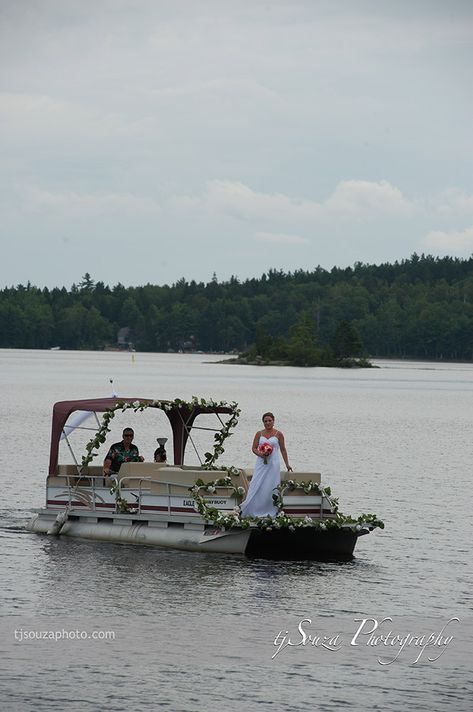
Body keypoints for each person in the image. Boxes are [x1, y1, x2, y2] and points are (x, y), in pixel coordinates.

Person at [240, 412, 292, 518]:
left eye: (269, 420)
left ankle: (270, 510)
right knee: (256, 484)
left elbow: (283, 450)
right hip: (261, 463)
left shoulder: (279, 434)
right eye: (265, 421)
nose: (267, 423)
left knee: (270, 486)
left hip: (273, 464)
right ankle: (252, 509)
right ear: (263, 422)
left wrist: (287, 464)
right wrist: (261, 454)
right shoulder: (259, 434)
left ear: (273, 421)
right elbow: (254, 448)